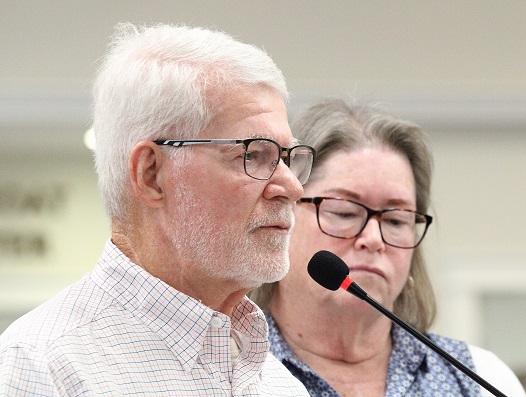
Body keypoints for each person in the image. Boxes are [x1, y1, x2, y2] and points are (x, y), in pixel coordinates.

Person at [0, 23, 314, 396]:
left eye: (286, 157)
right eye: (253, 155)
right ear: (150, 174)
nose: (292, 188)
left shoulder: (280, 385)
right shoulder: (41, 368)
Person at [250, 98, 526, 397]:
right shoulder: (228, 369)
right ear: (284, 215)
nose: (374, 239)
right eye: (344, 212)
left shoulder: (481, 377)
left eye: (396, 220)